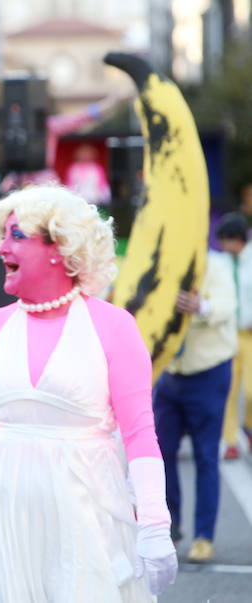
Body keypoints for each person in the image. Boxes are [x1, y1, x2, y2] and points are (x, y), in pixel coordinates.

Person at [0, 185, 177, 601]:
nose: (1, 247)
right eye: (2, 235)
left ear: (60, 246)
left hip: (87, 523)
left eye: (17, 236)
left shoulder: (113, 326)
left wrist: (154, 523)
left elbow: (139, 433)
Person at [152, 248, 236, 562]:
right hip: (169, 372)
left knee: (205, 456)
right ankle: (170, 528)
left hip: (208, 371)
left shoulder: (216, 263)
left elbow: (227, 307)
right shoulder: (162, 259)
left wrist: (200, 306)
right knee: (162, 453)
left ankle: (204, 536)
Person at [216, 212, 252, 459]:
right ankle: (230, 441)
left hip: (250, 334)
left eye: (226, 240)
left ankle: (248, 428)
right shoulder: (220, 263)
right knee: (228, 389)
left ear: (237, 239)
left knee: (250, 391)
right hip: (227, 335)